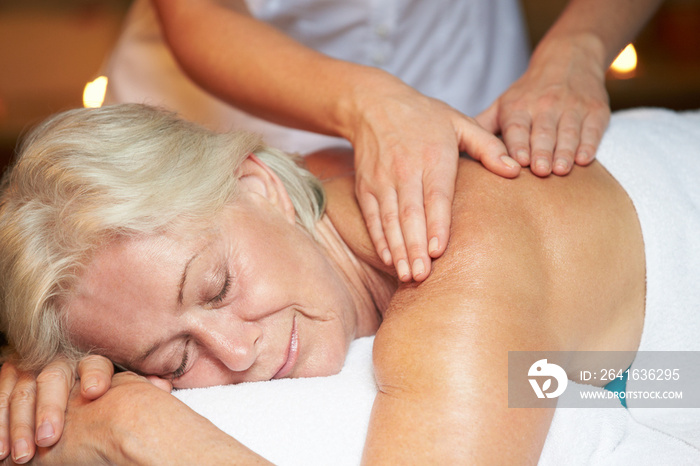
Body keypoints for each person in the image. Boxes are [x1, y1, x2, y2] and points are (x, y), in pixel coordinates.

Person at [0, 103, 656, 463]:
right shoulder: (317, 186)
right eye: (175, 358)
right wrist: (40, 385)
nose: (232, 351)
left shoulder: (460, 271)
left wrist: (138, 430)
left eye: (217, 286)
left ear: (259, 188)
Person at [100, 0, 663, 283]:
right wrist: (368, 105)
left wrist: (579, 48)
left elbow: (571, 382)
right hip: (222, 107)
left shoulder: (488, 254)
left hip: (465, 77)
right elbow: (198, 12)